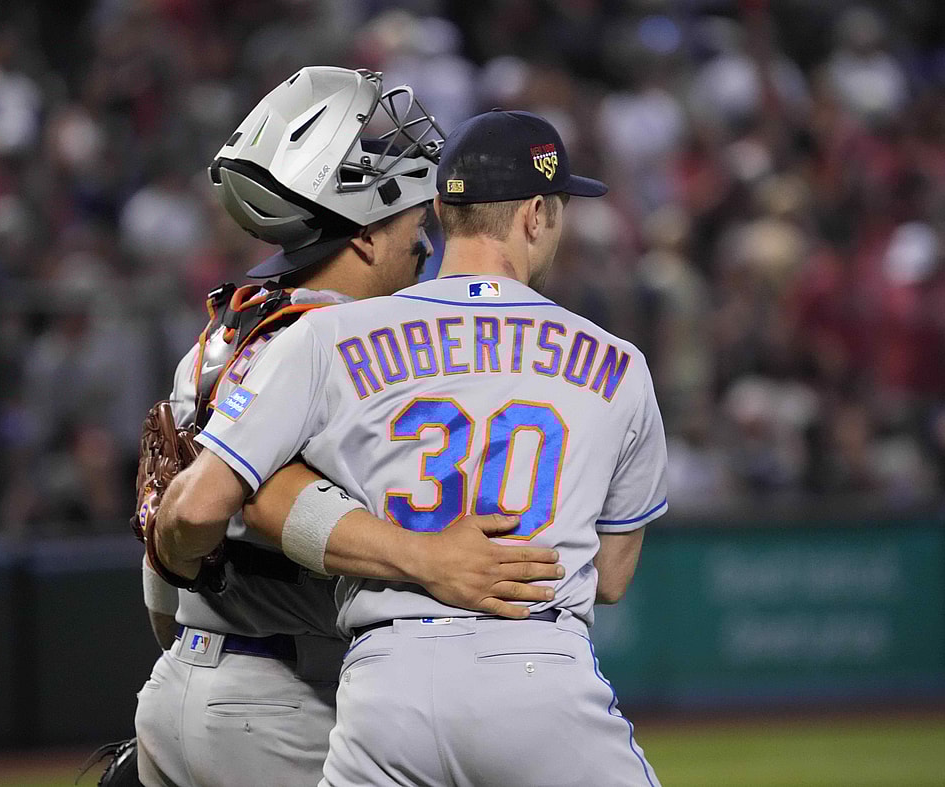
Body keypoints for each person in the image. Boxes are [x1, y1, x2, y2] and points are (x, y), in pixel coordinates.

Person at [154, 108, 667, 786]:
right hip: (538, 666)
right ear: (537, 213)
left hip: (385, 680)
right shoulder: (619, 362)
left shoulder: (327, 335)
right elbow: (612, 576)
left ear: (443, 213)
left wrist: (176, 547)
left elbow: (195, 511)